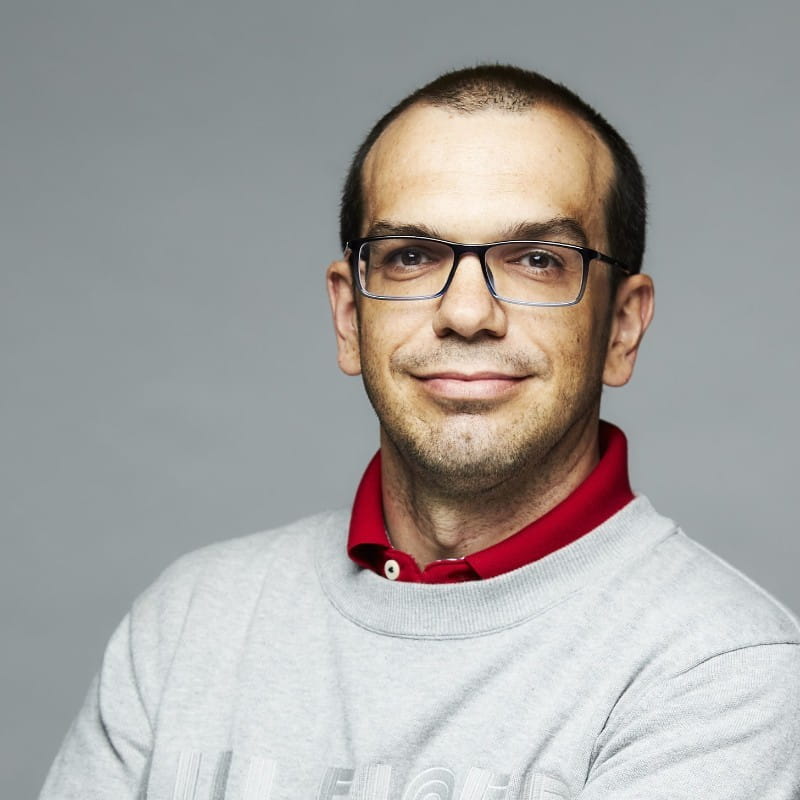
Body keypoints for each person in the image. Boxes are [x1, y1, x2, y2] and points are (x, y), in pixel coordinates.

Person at [40, 65, 800, 800]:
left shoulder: (722, 670)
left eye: (538, 259)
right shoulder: (188, 623)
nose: (466, 313)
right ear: (349, 317)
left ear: (622, 328)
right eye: (411, 256)